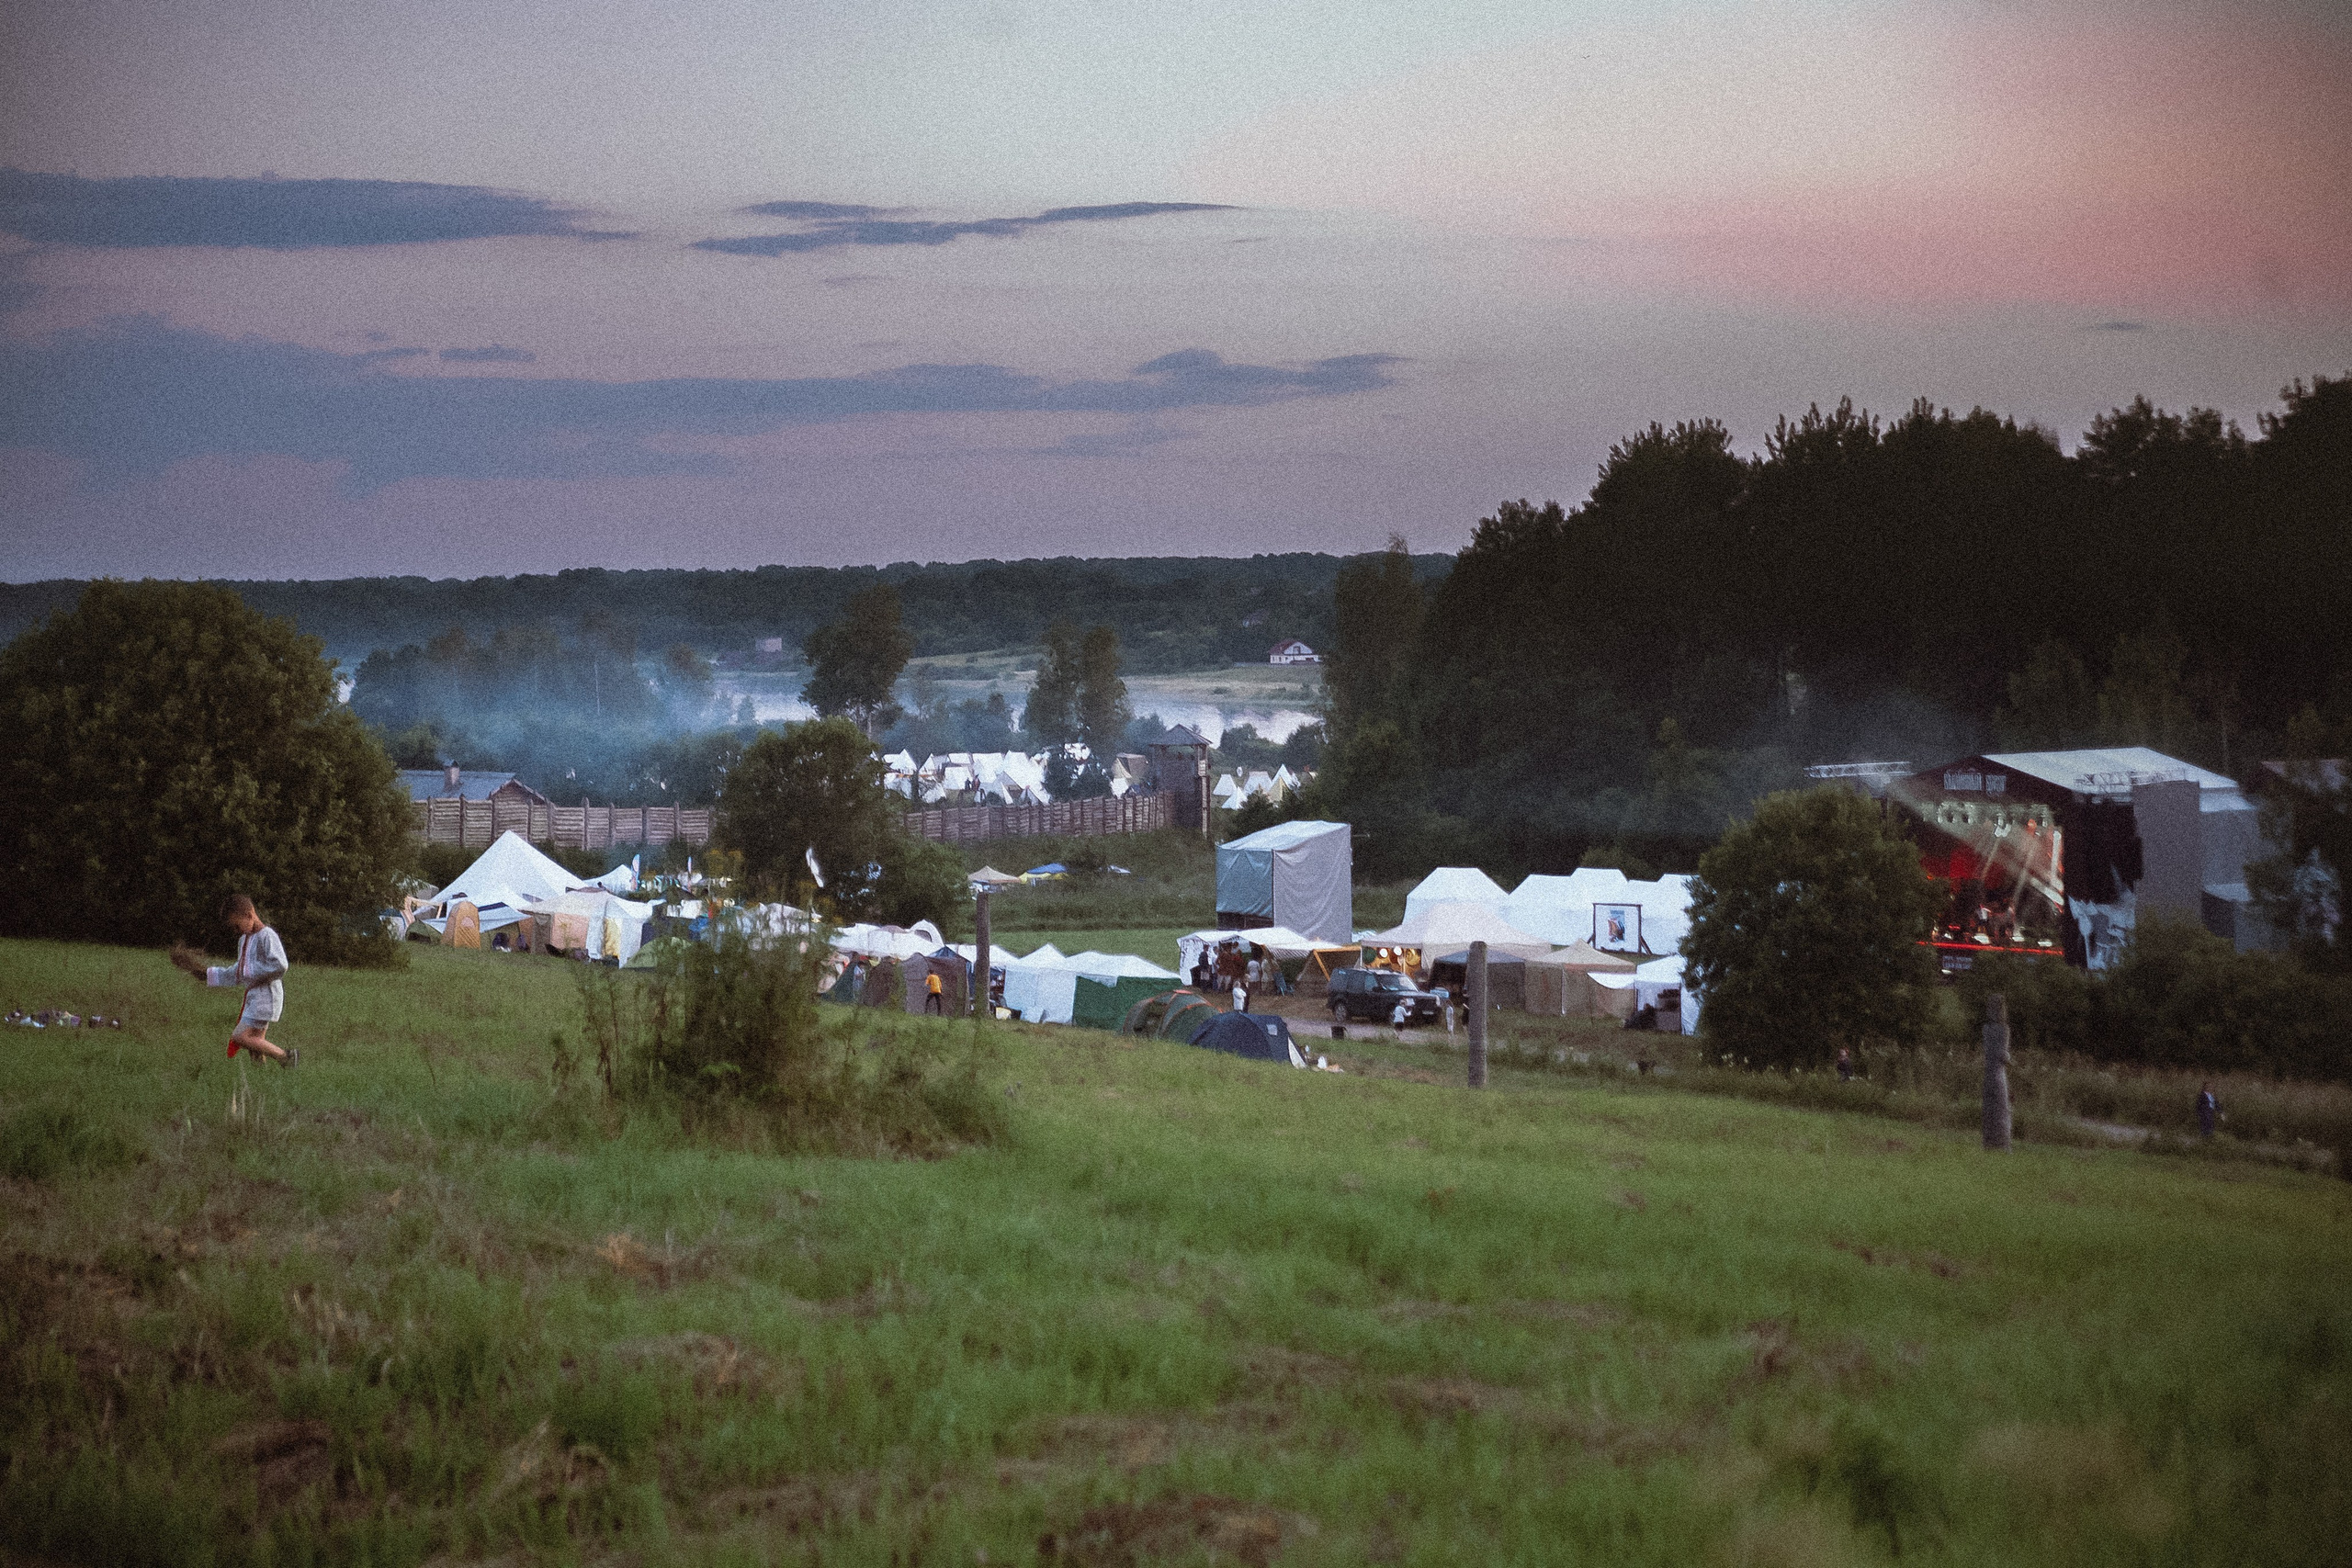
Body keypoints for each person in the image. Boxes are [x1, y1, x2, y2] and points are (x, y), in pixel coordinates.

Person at [169, 895, 297, 1066]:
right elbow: (239, 972)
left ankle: (286, 1057)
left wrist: (249, 972)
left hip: (266, 997)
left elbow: (280, 964)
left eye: (237, 925)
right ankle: (260, 1074)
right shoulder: (244, 940)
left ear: (249, 915)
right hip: (254, 997)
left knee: (240, 1036)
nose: (236, 931)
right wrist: (209, 974)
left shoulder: (267, 935)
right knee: (255, 1044)